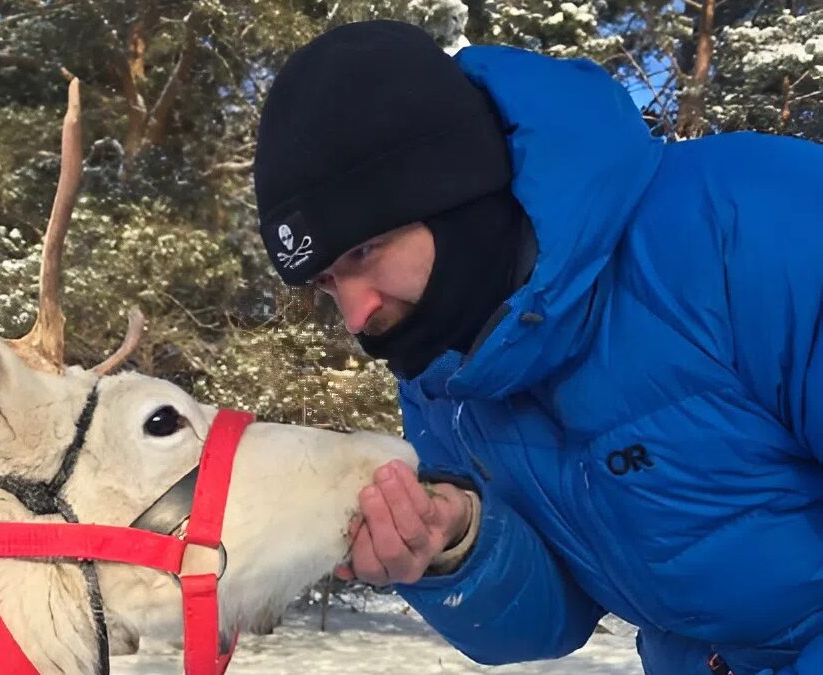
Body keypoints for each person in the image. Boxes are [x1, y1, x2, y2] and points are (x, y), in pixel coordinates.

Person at [252, 19, 823, 675]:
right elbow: (554, 609)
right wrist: (458, 544)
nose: (356, 316)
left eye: (363, 251)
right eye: (327, 282)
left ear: (453, 191)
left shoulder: (762, 224)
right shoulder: (444, 374)